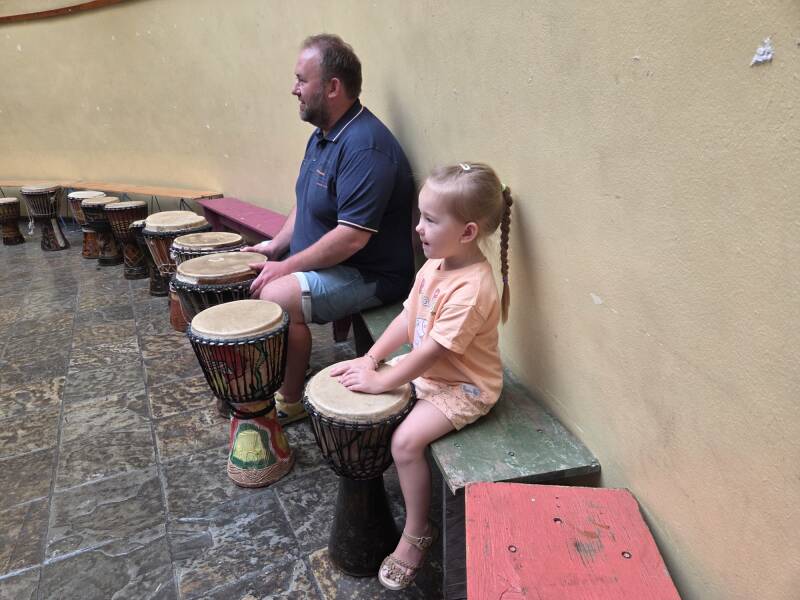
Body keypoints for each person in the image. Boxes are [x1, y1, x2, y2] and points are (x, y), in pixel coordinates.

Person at [330, 162, 513, 591]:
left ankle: (416, 534)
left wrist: (386, 380)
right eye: (420, 216)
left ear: (467, 232)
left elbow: (432, 351)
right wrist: (372, 359)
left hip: (464, 388)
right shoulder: (435, 265)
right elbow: (407, 319)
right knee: (365, 399)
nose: (418, 228)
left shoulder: (472, 288)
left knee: (404, 442)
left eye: (430, 219)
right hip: (430, 373)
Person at [243, 34, 415, 424]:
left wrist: (287, 267)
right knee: (256, 272)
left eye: (302, 80)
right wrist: (274, 246)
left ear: (333, 87)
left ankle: (289, 401)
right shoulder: (323, 136)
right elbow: (306, 200)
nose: (294, 89)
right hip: (333, 265)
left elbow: (352, 237)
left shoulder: (365, 147)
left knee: (277, 296)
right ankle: (275, 371)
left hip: (371, 275)